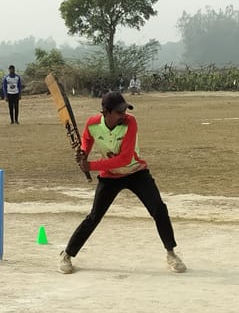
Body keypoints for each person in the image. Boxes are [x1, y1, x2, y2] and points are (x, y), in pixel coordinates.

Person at [58, 91, 186, 275]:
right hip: (110, 177)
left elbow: (125, 159)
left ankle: (171, 253)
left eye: (124, 110)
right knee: (94, 217)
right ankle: (67, 254)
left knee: (159, 209)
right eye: (119, 112)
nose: (123, 115)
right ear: (106, 112)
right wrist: (84, 153)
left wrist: (90, 165)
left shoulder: (130, 122)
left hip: (136, 172)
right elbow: (87, 138)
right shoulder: (93, 124)